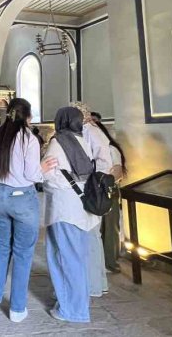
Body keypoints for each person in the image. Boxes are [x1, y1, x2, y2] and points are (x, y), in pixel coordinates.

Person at [0, 99, 57, 323]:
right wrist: (43, 168)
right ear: (28, 117)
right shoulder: (28, 139)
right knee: (23, 253)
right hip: (22, 198)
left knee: (1, 246)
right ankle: (17, 309)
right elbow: (32, 175)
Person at [42, 106, 112, 323]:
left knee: (65, 258)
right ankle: (76, 300)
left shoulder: (59, 141)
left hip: (64, 208)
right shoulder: (84, 139)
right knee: (78, 257)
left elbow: (51, 176)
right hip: (84, 208)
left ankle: (72, 309)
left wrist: (38, 170)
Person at [71, 102, 112, 298]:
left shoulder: (89, 132)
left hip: (91, 188)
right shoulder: (92, 131)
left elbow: (98, 162)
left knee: (89, 237)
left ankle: (91, 285)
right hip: (92, 187)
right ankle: (94, 283)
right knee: (90, 236)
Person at [94, 116, 127, 273]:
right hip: (95, 191)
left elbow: (118, 173)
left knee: (110, 226)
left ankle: (110, 262)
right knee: (97, 227)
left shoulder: (111, 149)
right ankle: (99, 259)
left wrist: (103, 182)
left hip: (108, 190)